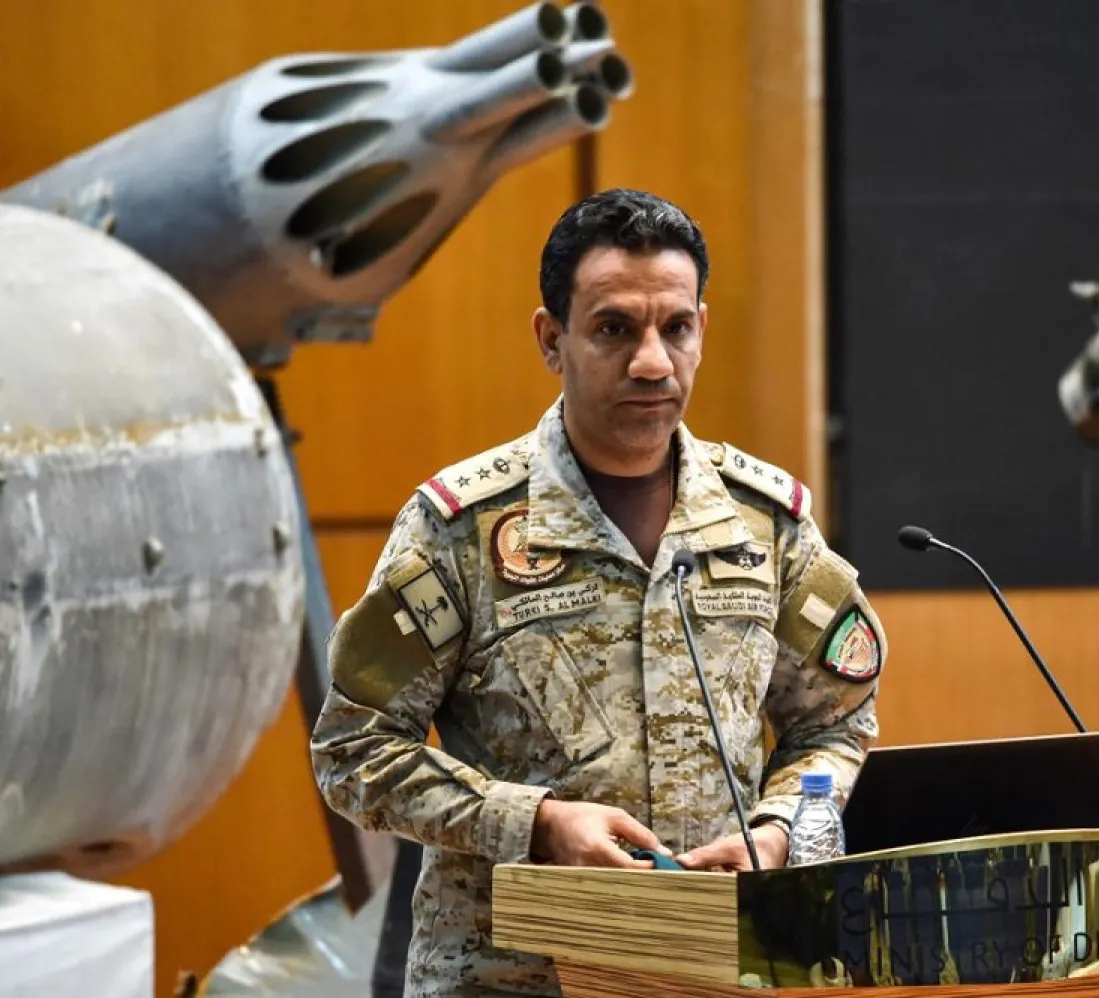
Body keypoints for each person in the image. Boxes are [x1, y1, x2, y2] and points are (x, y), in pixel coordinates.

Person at [309, 187, 886, 998]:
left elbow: (836, 725)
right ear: (552, 339)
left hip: (722, 967)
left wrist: (779, 831)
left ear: (700, 330)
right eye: (615, 328)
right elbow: (353, 750)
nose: (652, 361)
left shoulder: (765, 524)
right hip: (514, 978)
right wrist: (536, 824)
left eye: (675, 328)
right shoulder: (463, 527)